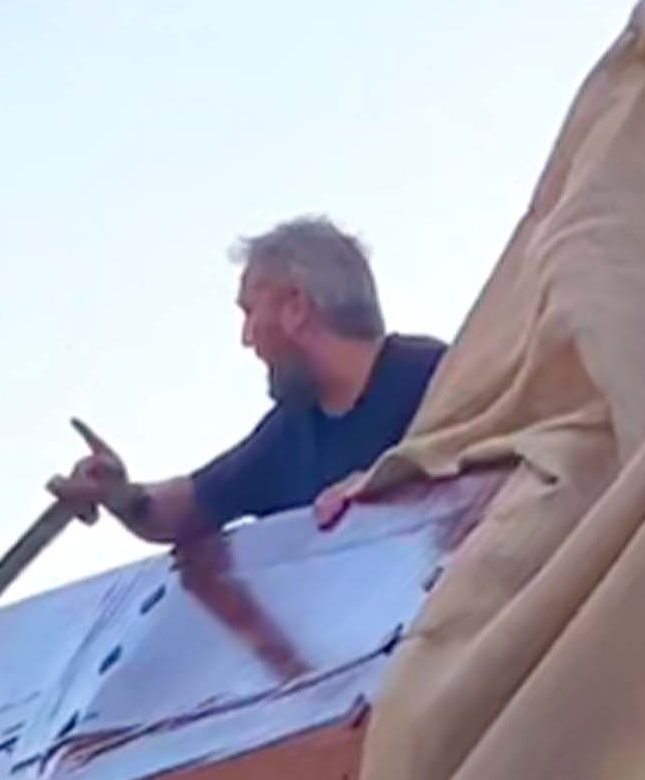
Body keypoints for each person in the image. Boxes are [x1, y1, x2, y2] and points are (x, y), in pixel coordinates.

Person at [50, 221, 447, 547]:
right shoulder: (289, 435)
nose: (246, 338)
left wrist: (391, 479)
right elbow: (182, 510)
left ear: (295, 307)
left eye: (250, 311)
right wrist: (118, 494)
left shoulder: (439, 377)